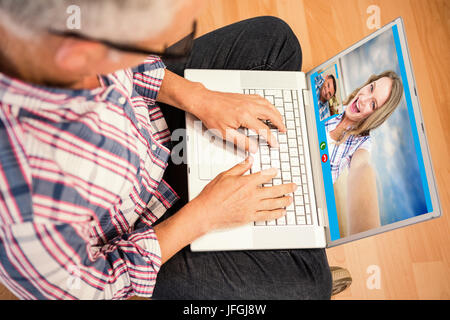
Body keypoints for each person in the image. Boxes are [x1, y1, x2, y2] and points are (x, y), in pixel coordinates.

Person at [0, 0, 332, 299]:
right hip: (149, 226)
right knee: (313, 285)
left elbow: (135, 66)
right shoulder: (22, 213)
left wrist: (199, 96)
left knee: (275, 40)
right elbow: (98, 285)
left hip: (152, 123)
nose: (165, 46)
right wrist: (204, 215)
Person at [325, 71, 403, 235]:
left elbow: (362, 168)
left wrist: (368, 237)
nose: (363, 99)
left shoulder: (362, 143)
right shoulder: (334, 110)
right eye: (371, 88)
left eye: (373, 104)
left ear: (376, 116)